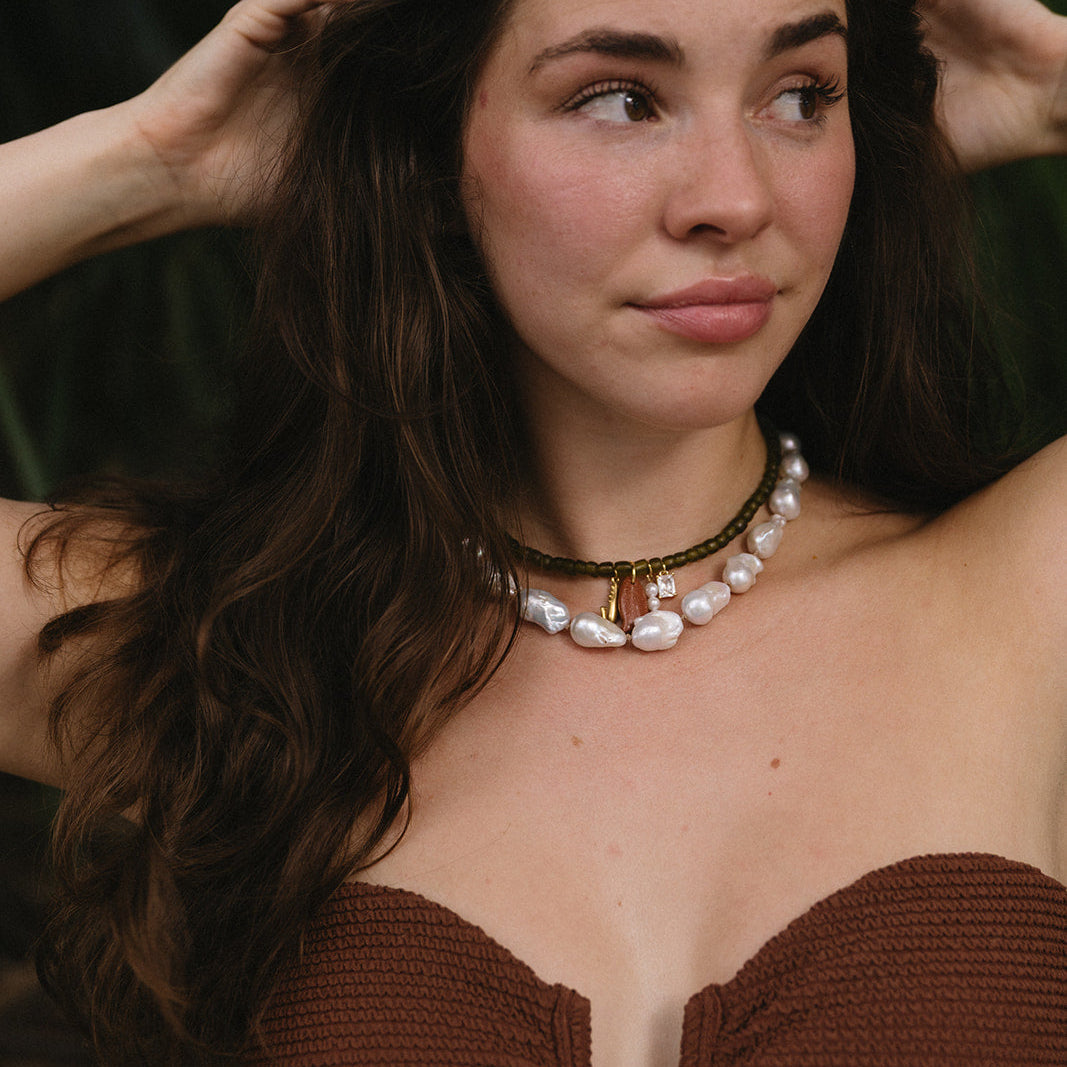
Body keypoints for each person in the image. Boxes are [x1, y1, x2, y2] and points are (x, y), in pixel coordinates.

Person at [1, 0, 1066, 1063]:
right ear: (431, 147)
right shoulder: (238, 646)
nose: (735, 198)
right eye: (618, 99)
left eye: (798, 96)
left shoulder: (1022, 592)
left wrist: (1052, 85)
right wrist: (151, 160)